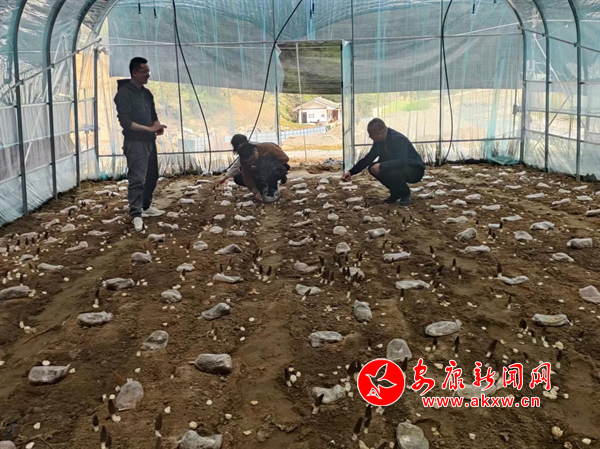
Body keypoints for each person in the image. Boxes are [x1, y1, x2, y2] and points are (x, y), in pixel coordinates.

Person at [114, 57, 167, 232]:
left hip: (149, 141)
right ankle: (136, 213)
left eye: (148, 71)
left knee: (152, 175)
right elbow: (126, 122)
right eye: (144, 71)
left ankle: (145, 206)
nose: (148, 75)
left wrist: (157, 126)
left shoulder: (146, 93)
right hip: (135, 142)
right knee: (137, 179)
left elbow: (153, 115)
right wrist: (149, 129)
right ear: (134, 73)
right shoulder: (124, 94)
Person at [342, 118, 425, 206]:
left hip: (414, 170)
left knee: (390, 169)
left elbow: (401, 161)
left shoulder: (398, 139)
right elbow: (368, 159)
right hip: (401, 167)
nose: (370, 137)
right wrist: (351, 172)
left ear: (378, 133)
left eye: (371, 134)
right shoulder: (379, 141)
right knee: (372, 167)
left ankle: (405, 193)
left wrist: (381, 165)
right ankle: (396, 192)